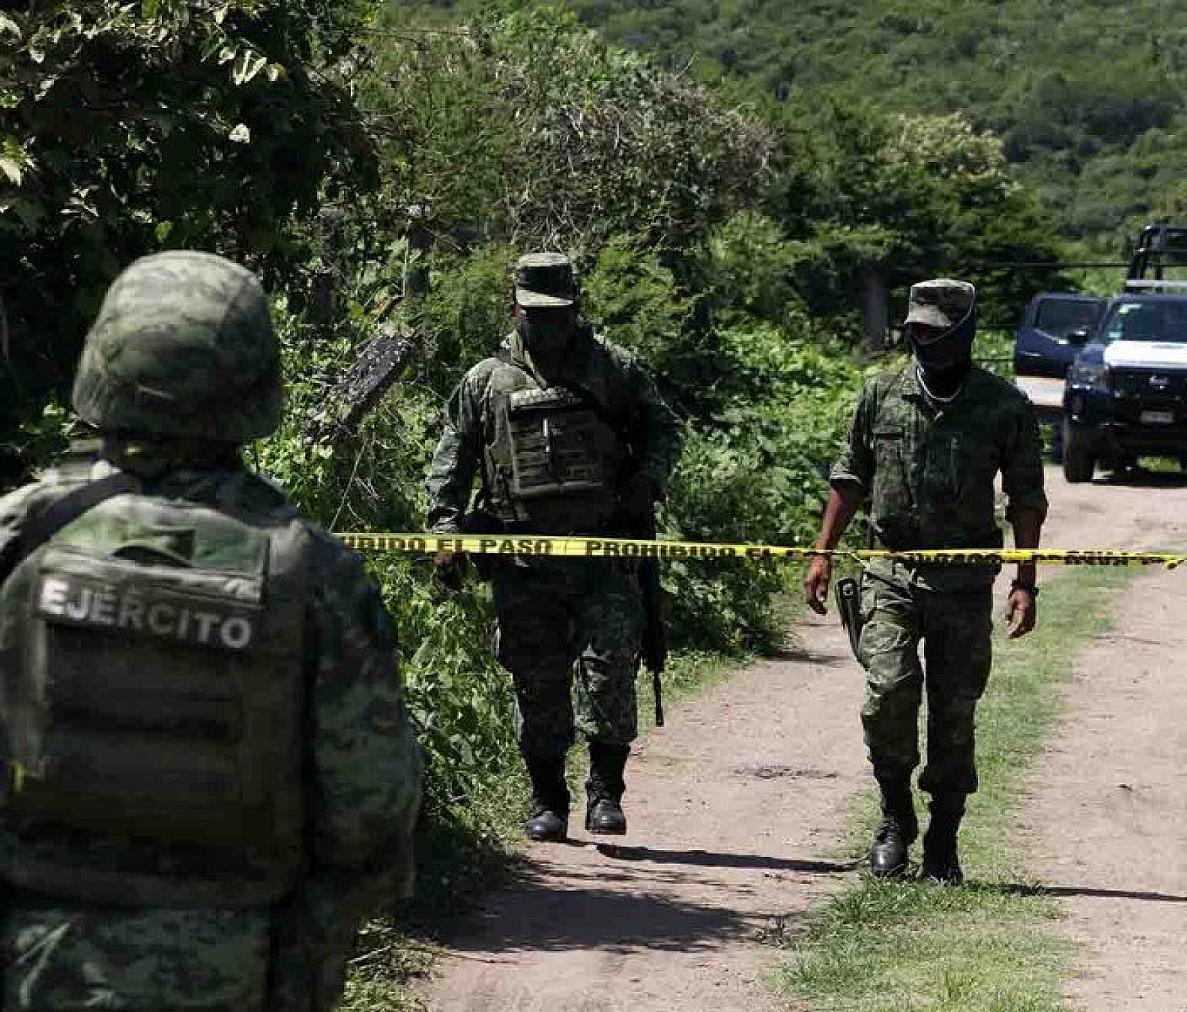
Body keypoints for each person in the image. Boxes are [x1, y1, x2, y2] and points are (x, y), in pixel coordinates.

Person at [0, 251, 422, 1010]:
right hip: (234, 967)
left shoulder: (20, 536)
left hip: (31, 961)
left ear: (102, 367)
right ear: (254, 387)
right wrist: (311, 936)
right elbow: (372, 807)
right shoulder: (308, 569)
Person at [426, 252, 682, 842]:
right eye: (535, 313)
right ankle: (547, 800)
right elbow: (451, 459)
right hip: (522, 560)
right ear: (514, 308)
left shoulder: (613, 368)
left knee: (609, 672)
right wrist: (444, 530)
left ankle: (605, 792)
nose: (547, 324)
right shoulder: (486, 381)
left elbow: (665, 429)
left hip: (604, 554)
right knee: (535, 679)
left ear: (576, 308)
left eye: (558, 313)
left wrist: (646, 483)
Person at [804, 278, 1048, 883]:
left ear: (964, 334)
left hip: (963, 581)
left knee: (954, 709)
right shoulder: (881, 393)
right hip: (889, 568)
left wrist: (1025, 581)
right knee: (888, 690)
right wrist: (821, 554)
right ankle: (894, 816)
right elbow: (850, 476)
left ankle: (943, 835)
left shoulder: (1003, 406)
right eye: (915, 331)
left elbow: (1026, 498)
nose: (923, 342)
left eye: (935, 333)